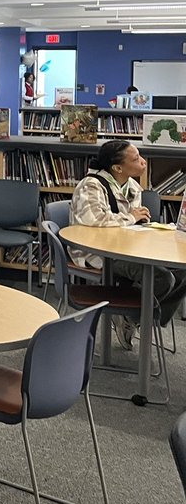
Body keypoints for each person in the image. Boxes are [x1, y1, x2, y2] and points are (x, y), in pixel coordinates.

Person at [69, 140, 186, 349]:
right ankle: (135, 316)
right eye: (135, 159)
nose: (142, 162)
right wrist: (131, 217)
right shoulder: (91, 185)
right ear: (117, 168)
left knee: (182, 272)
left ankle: (135, 318)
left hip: (126, 249)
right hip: (99, 253)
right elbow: (95, 220)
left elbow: (129, 223)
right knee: (163, 278)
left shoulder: (132, 185)